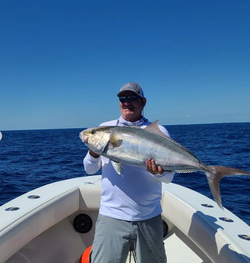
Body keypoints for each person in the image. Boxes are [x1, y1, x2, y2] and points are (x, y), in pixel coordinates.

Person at [83, 82, 175, 263]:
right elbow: (89, 169)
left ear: (143, 102)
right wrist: (94, 151)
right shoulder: (106, 129)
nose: (127, 102)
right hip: (112, 216)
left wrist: (157, 173)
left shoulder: (158, 132)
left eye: (132, 98)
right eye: (122, 98)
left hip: (148, 216)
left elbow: (169, 177)